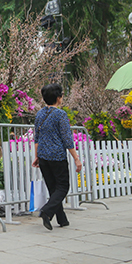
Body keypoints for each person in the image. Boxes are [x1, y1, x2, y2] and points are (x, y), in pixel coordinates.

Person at [31, 83, 82, 231]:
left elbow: (36, 138)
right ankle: (46, 211)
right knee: (63, 186)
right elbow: (67, 139)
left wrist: (37, 156)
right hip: (57, 156)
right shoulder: (61, 115)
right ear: (58, 98)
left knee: (53, 188)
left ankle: (62, 219)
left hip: (43, 156)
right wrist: (76, 158)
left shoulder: (40, 114)